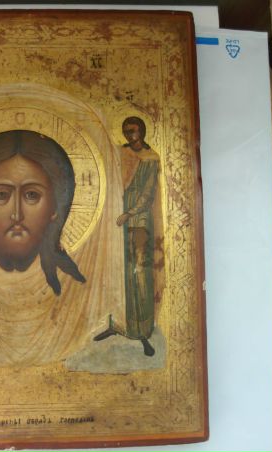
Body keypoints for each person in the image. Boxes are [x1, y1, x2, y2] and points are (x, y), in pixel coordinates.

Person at [0, 129, 86, 295]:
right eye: (1, 195)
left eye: (32, 195)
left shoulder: (78, 289)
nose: (17, 215)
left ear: (55, 207)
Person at [95, 116, 163, 356]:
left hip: (137, 220)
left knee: (138, 272)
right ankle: (118, 323)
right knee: (117, 271)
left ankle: (141, 331)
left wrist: (129, 213)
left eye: (133, 130)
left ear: (142, 131)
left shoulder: (150, 158)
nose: (129, 135)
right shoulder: (122, 154)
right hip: (118, 217)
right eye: (125, 131)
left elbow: (147, 193)